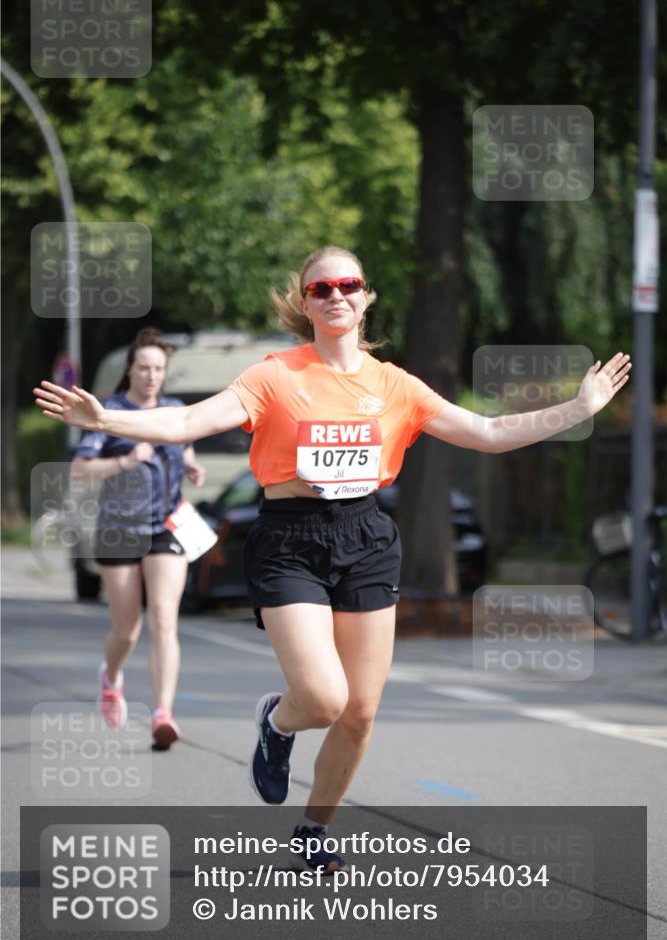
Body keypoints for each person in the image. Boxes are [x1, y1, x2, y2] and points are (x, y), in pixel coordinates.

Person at [34, 245, 631, 870]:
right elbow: (190, 422)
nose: (336, 295)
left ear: (366, 295)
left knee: (360, 713)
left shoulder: (394, 384)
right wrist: (111, 421)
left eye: (348, 284)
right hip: (290, 540)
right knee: (322, 697)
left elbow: (486, 433)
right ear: (305, 302)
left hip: (366, 536)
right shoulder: (275, 376)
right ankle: (279, 723)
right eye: (321, 289)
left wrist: (580, 409)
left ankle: (314, 830)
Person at [68, 327, 205, 749]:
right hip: (119, 530)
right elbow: (80, 469)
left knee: (165, 619)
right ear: (130, 368)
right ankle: (111, 679)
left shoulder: (174, 409)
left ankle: (163, 713)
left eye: (159, 369)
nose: (151, 375)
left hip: (166, 525)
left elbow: (184, 448)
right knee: (127, 628)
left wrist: (192, 466)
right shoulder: (108, 411)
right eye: (144, 367)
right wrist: (126, 460)